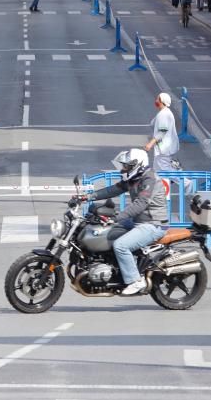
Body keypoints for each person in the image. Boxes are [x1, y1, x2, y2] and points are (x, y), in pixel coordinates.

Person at [83, 149, 167, 296]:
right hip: (138, 221)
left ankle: (135, 281)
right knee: (106, 230)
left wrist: (117, 217)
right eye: (124, 166)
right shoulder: (134, 178)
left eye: (127, 166)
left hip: (153, 224)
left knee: (120, 245)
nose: (123, 169)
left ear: (138, 165)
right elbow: (114, 190)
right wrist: (89, 196)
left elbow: (141, 203)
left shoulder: (149, 179)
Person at [144, 92, 179, 172]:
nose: (156, 101)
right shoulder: (164, 112)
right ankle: (162, 184)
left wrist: (150, 143)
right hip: (163, 147)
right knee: (157, 168)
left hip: (165, 147)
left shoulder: (164, 114)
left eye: (157, 99)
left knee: (165, 170)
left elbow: (162, 131)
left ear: (162, 101)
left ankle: (187, 183)